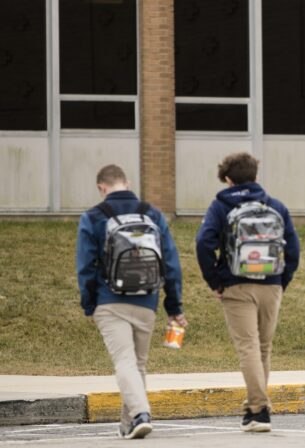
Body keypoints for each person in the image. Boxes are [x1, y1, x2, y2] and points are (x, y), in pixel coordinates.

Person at [76, 164, 187, 439]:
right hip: (146, 300)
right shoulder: (153, 214)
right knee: (137, 364)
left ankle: (140, 413)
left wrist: (90, 305)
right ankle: (130, 424)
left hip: (109, 300)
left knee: (125, 362)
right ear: (126, 183)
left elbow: (86, 267)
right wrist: (174, 307)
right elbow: (171, 265)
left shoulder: (93, 217)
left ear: (102, 187)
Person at [195, 152, 300, 432]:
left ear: (228, 179)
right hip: (272, 284)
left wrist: (216, 281)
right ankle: (256, 407)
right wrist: (280, 281)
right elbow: (293, 250)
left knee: (248, 348)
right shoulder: (275, 205)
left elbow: (203, 244)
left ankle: (258, 410)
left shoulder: (220, 206)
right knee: (263, 348)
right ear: (255, 176)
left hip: (236, 285)